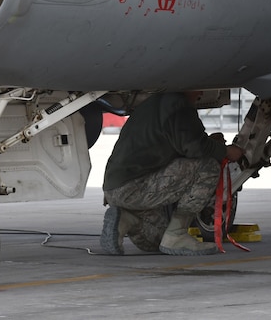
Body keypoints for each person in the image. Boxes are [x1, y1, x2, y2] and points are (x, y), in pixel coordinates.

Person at [101, 90, 244, 256]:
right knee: (208, 168)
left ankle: (125, 219)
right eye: (199, 89)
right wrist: (225, 151)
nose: (201, 94)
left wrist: (211, 145)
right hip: (136, 187)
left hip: (116, 189)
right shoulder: (178, 105)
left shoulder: (153, 104)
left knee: (157, 240)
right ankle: (178, 234)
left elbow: (178, 145)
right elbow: (195, 148)